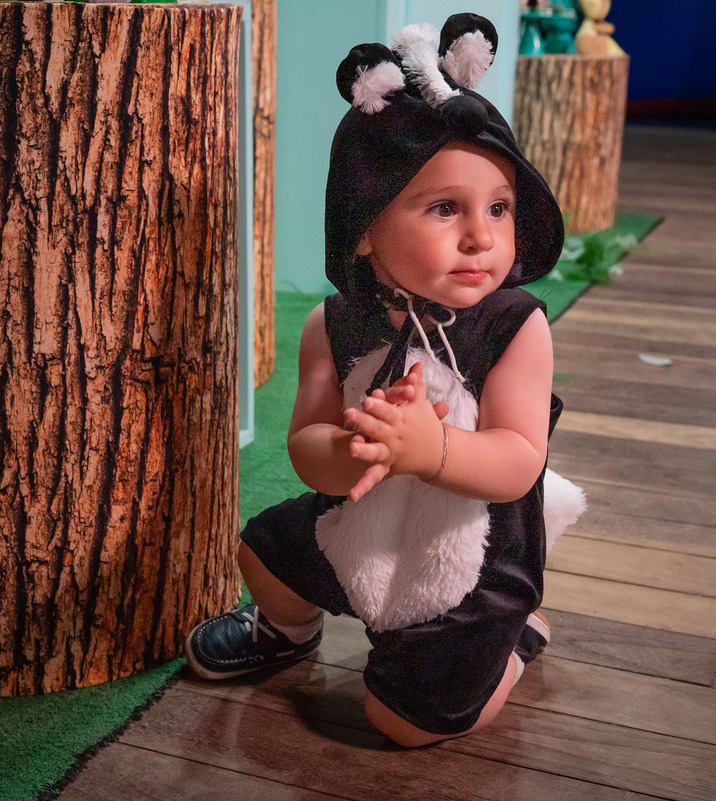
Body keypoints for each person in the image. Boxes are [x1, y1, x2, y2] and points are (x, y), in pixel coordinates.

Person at [185, 13, 585, 748]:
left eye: (499, 208)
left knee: (401, 721)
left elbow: (520, 462)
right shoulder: (334, 325)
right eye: (446, 209)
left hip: (474, 547)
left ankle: (507, 643)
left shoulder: (516, 326)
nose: (482, 235)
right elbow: (307, 445)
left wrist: (430, 449)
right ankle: (288, 629)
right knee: (263, 551)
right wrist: (356, 451)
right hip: (362, 523)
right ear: (366, 228)